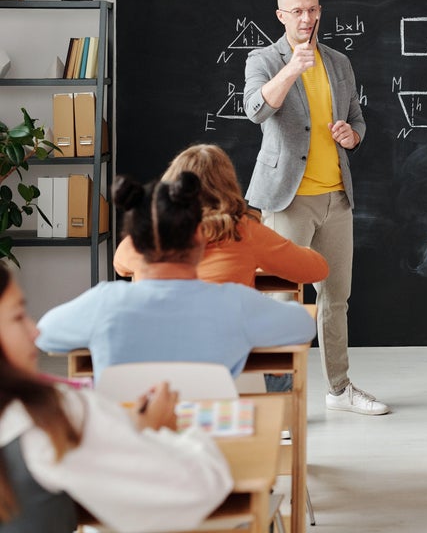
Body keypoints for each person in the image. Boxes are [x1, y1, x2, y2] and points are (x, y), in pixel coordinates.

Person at [243, 0, 388, 415]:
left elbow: (358, 118)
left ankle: (340, 389)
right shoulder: (264, 59)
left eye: (312, 10)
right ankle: (278, 399)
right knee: (282, 301)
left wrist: (352, 136)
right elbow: (255, 110)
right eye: (297, 12)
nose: (307, 19)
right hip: (288, 199)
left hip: (336, 198)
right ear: (281, 16)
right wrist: (291, 69)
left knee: (336, 298)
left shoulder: (339, 62)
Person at [0, 262, 233, 532]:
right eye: (18, 316)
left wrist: (127, 429)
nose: (34, 330)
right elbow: (199, 487)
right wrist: (166, 432)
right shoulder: (52, 418)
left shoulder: (104, 299)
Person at [35, 171, 316, 383]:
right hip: (209, 447)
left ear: (134, 242)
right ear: (199, 236)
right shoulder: (234, 304)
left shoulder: (104, 304)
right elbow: (304, 326)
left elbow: (43, 334)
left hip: (129, 447)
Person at [113, 143, 329, 287]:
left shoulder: (150, 234)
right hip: (224, 349)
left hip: (158, 350)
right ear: (227, 184)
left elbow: (121, 265)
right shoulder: (243, 231)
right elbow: (317, 269)